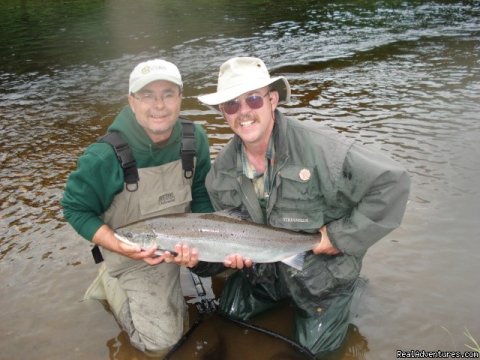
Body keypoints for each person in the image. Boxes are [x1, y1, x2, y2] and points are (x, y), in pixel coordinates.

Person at [192, 56, 411, 357]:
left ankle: (352, 290)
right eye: (232, 104)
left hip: (321, 279)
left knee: (312, 353)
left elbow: (392, 183)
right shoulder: (219, 176)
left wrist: (338, 237)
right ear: (223, 113)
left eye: (253, 99)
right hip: (265, 275)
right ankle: (278, 298)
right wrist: (200, 261)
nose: (243, 112)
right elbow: (222, 242)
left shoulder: (323, 150)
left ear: (272, 100)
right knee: (230, 315)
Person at [61, 59, 212, 356]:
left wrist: (207, 250)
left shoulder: (196, 138)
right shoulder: (103, 156)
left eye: (168, 94)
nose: (159, 105)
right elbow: (74, 209)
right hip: (132, 255)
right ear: (132, 101)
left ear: (181, 98)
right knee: (162, 346)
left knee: (246, 264)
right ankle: (111, 281)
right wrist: (119, 246)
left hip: (182, 244)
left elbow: (201, 197)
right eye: (147, 95)